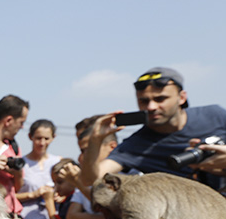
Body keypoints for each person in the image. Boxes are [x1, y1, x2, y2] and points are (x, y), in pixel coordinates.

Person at [78, 67, 226, 190]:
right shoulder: (135, 145)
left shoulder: (215, 115)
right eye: (144, 101)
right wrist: (95, 140)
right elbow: (90, 180)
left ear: (181, 98)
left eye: (160, 99)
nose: (151, 107)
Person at [15, 119, 62, 219]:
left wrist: (59, 196)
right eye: (38, 138)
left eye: (46, 138)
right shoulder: (21, 164)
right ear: (30, 137)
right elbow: (10, 196)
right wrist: (33, 194)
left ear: (53, 138)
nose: (42, 143)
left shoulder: (58, 162)